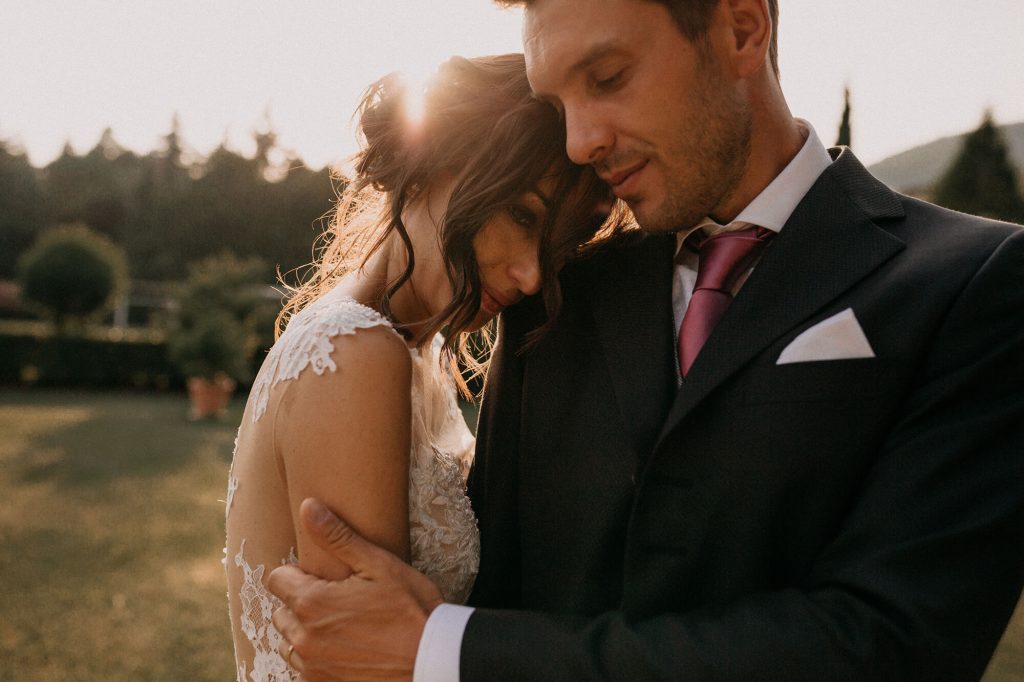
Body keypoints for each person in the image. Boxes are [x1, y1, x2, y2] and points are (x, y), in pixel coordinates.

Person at [267, 1, 1024, 680]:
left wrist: (447, 648)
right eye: (556, 101)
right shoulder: (561, 294)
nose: (578, 141)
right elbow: (502, 573)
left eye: (606, 76)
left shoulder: (970, 283)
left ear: (741, 28)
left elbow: (890, 645)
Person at [223, 52, 618, 681]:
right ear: (432, 159)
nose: (533, 274)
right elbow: (363, 663)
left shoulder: (399, 350)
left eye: (557, 247)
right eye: (522, 216)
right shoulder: (356, 354)